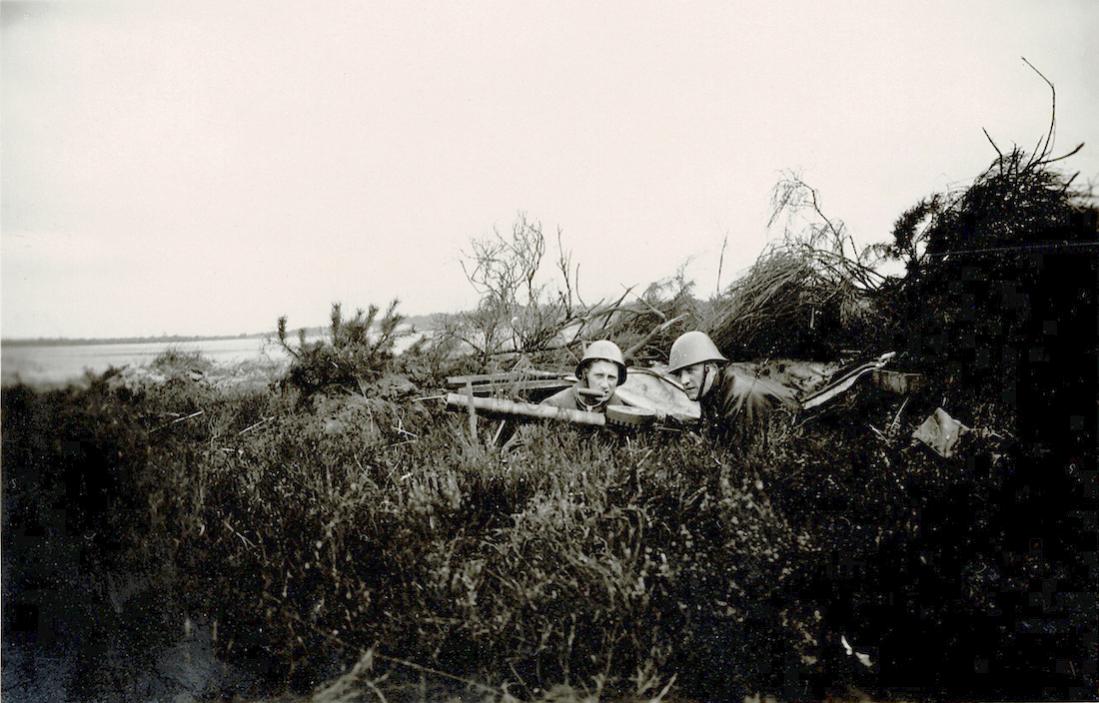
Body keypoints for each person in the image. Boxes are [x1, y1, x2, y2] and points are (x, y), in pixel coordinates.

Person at [666, 331, 798, 438]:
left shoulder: (739, 396)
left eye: (690, 370)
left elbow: (744, 459)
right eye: (679, 374)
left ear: (711, 368)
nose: (684, 380)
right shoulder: (711, 387)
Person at [540, 339, 628, 412]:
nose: (605, 385)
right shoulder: (556, 404)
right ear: (585, 373)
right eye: (599, 376)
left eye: (611, 378)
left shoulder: (619, 409)